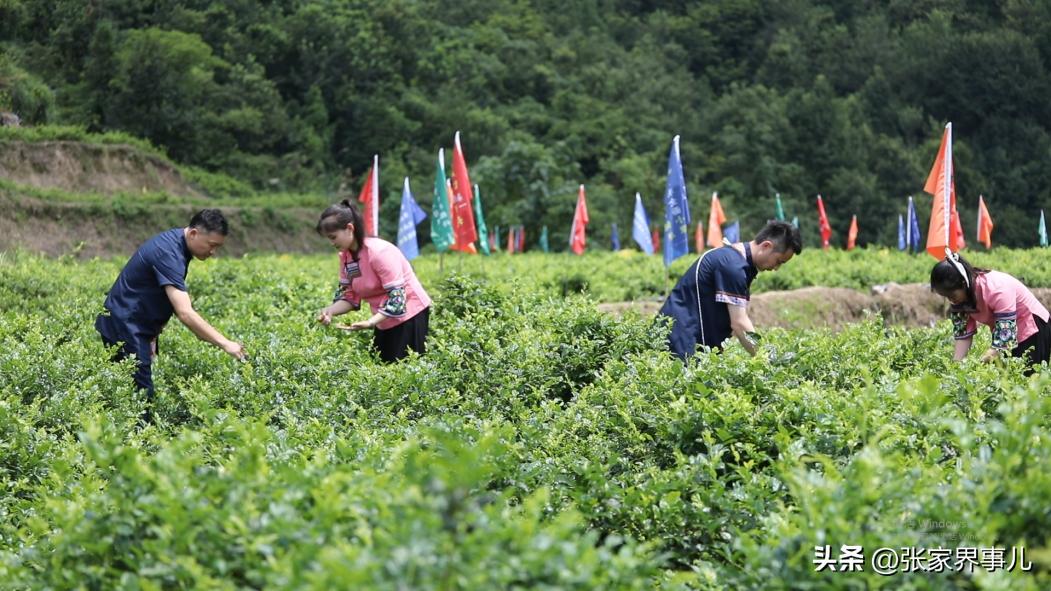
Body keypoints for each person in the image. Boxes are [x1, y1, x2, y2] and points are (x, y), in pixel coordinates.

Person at [95, 209, 246, 419]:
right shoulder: (169, 253)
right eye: (212, 245)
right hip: (126, 326)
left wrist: (153, 335)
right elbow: (185, 313)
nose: (213, 252)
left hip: (131, 323)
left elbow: (154, 293)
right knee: (141, 396)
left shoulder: (177, 244)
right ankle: (138, 446)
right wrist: (225, 343)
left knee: (125, 390)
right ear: (193, 233)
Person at [659, 220, 802, 360]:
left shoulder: (734, 259)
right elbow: (739, 323)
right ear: (766, 246)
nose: (776, 268)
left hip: (683, 337)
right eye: (778, 261)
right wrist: (766, 358)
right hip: (680, 342)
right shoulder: (733, 267)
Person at [315, 200, 431, 362]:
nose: (332, 243)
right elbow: (349, 297)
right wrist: (329, 311)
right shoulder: (346, 257)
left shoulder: (379, 253)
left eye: (333, 237)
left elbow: (398, 300)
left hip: (410, 315)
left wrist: (371, 322)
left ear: (350, 228)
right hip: (382, 318)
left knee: (406, 368)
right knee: (382, 367)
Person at [931, 250, 1050, 373]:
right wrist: (955, 368)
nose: (950, 300)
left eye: (952, 294)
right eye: (946, 296)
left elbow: (1005, 336)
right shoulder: (958, 300)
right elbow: (963, 336)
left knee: (1029, 379)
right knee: (1007, 380)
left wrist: (982, 362)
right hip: (1009, 334)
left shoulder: (996, 289)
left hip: (1033, 326)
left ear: (963, 283)